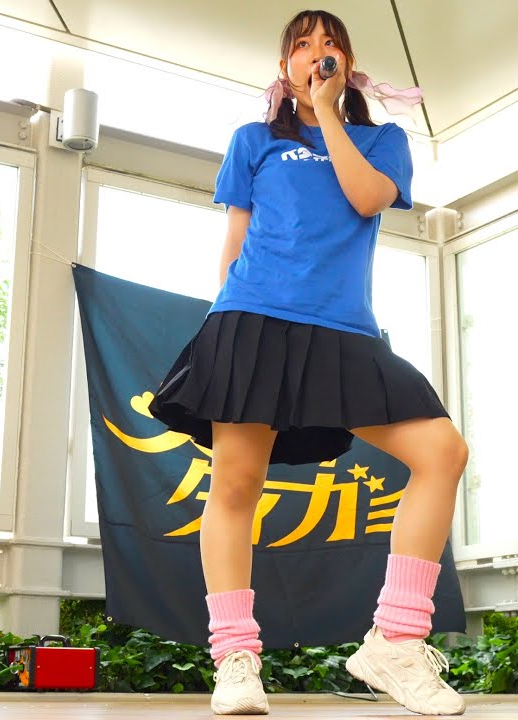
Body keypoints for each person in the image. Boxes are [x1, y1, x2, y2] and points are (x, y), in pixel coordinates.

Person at [150, 9, 467, 717]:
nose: (316, 54)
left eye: (330, 45)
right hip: (252, 318)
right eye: (302, 45)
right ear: (285, 64)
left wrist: (327, 113)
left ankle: (396, 641)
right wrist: (221, 336)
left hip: (345, 329)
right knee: (236, 482)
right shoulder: (254, 140)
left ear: (348, 66)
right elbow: (233, 244)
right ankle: (235, 658)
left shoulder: (383, 140)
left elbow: (364, 199)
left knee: (441, 452)